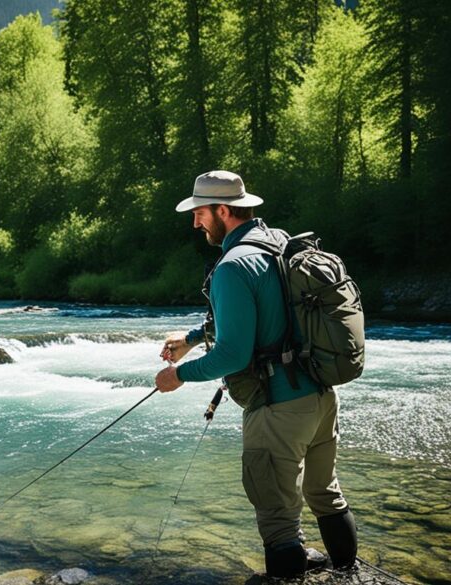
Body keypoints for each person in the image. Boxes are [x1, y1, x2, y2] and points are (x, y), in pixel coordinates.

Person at [152, 170, 358, 579]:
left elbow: (232, 354)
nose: (195, 222)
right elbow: (272, 310)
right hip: (320, 395)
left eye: (200, 213)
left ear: (223, 210)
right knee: (325, 494)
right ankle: (348, 574)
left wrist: (179, 375)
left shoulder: (231, 266)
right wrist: (193, 338)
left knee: (277, 517)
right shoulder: (279, 241)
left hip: (277, 406)